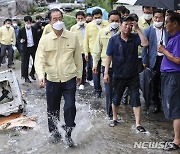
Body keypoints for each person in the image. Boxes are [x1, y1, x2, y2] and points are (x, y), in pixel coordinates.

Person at [34, 8, 82, 147]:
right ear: (49, 22)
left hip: (69, 78)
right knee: (52, 109)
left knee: (70, 106)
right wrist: (41, 75)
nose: (58, 21)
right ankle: (54, 133)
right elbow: (39, 59)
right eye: (55, 19)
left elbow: (78, 57)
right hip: (52, 79)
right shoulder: (45, 39)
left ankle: (68, 132)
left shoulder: (72, 37)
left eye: (60, 18)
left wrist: (79, 74)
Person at [104, 16, 148, 132]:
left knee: (135, 98)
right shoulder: (113, 40)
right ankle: (114, 118)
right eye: (125, 24)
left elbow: (145, 43)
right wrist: (106, 72)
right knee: (116, 98)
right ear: (120, 25)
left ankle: (138, 124)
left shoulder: (134, 38)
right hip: (118, 74)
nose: (128, 27)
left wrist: (137, 29)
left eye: (130, 25)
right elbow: (109, 56)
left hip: (133, 75)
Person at [158, 12, 180, 151]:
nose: (165, 25)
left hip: (173, 76)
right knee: (172, 107)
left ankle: (177, 141)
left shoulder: (178, 38)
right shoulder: (173, 37)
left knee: (175, 108)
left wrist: (163, 51)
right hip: (168, 76)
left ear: (175, 23)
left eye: (167, 22)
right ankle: (176, 137)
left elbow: (178, 59)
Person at [92, 10, 121, 119]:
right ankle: (110, 114)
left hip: (120, 66)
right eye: (112, 20)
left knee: (118, 90)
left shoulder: (123, 33)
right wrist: (95, 64)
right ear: (108, 20)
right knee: (109, 91)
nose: (114, 22)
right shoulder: (102, 32)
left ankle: (115, 111)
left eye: (117, 21)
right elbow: (97, 49)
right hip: (106, 66)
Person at [142, 9, 170, 113]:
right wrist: (145, 61)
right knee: (153, 82)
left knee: (165, 81)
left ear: (164, 18)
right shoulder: (148, 31)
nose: (158, 20)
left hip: (166, 58)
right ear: (153, 18)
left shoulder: (167, 30)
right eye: (156, 18)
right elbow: (145, 47)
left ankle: (165, 103)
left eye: (160, 18)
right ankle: (155, 104)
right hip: (154, 59)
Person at [84, 8, 109, 98]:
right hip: (93, 52)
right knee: (95, 71)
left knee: (105, 70)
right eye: (95, 17)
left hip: (105, 52)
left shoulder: (107, 24)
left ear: (102, 16)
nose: (97, 19)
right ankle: (97, 90)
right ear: (93, 17)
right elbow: (86, 40)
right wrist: (86, 52)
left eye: (99, 17)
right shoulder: (89, 26)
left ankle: (108, 89)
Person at [18, 16, 38, 83]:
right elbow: (19, 38)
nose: (28, 23)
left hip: (33, 47)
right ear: (24, 22)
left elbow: (37, 38)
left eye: (29, 22)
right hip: (26, 48)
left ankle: (32, 73)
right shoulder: (21, 30)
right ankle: (26, 77)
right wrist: (21, 40)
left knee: (36, 61)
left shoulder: (34, 29)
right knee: (25, 63)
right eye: (27, 22)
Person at [70, 11, 86, 90]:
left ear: (84, 18)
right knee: (79, 66)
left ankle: (84, 81)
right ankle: (79, 81)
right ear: (76, 19)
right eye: (78, 18)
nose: (80, 20)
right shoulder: (73, 28)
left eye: (81, 18)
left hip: (86, 50)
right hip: (77, 51)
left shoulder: (88, 27)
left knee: (86, 66)